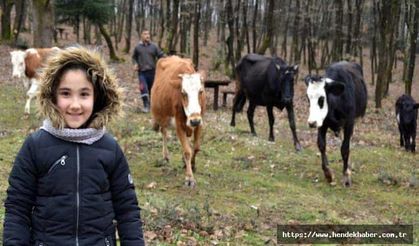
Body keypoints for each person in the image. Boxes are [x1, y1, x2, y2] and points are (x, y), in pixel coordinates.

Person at [3, 46, 145, 246]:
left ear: (98, 97)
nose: (75, 105)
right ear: (52, 96)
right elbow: (17, 208)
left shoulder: (109, 148)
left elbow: (127, 210)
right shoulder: (35, 146)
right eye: (66, 94)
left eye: (84, 94)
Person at [132, 29, 164, 113]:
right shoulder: (137, 47)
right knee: (143, 88)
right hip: (142, 72)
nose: (147, 36)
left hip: (153, 72)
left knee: (152, 90)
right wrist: (135, 64)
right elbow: (134, 58)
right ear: (141, 36)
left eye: (148, 34)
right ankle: (146, 106)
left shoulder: (154, 46)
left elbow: (161, 55)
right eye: (145, 34)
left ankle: (153, 106)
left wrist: (162, 63)